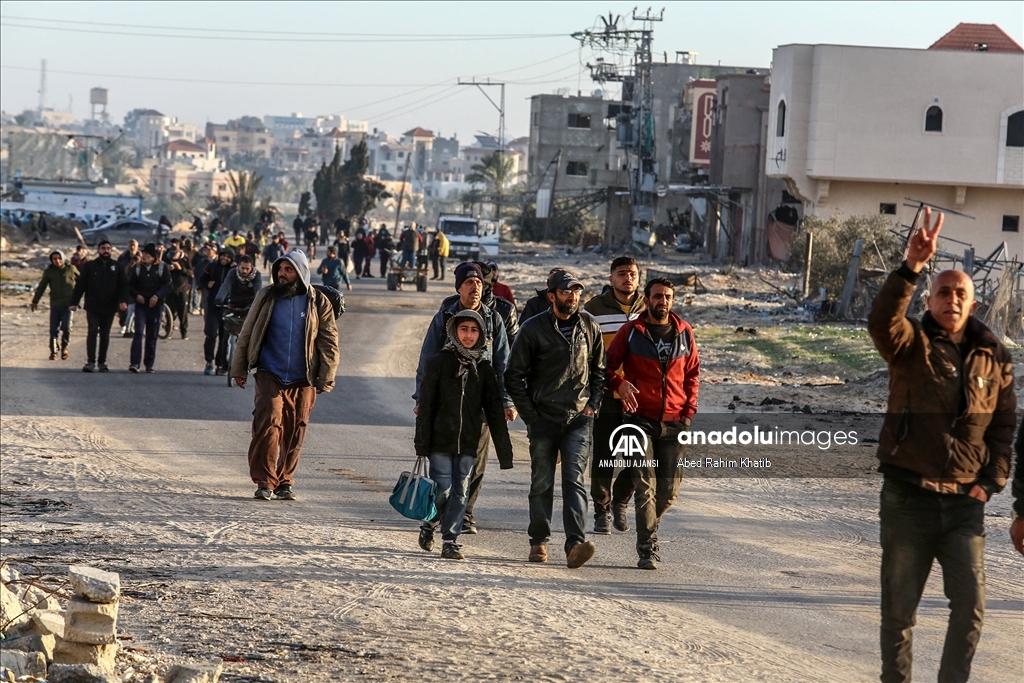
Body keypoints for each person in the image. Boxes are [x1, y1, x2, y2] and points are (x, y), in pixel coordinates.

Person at [866, 208, 1017, 683]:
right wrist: (911, 268)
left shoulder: (994, 355)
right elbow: (882, 322)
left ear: (973, 303)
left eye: (961, 293)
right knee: (899, 614)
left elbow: (1004, 426)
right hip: (908, 498)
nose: (952, 298)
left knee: (971, 609)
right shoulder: (910, 343)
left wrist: (991, 482)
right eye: (943, 291)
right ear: (929, 300)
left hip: (964, 506)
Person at [504, 270, 605, 568]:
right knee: (542, 482)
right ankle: (538, 541)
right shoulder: (533, 329)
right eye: (565, 291)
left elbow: (600, 371)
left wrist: (593, 406)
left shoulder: (589, 326)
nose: (572, 296)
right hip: (544, 418)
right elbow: (513, 377)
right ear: (552, 296)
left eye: (576, 291)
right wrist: (531, 415)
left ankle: (575, 544)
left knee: (574, 481)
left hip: (578, 417)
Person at [414, 262, 517, 534]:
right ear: (458, 287)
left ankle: (460, 522)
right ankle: (436, 519)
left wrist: (506, 401)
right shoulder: (444, 317)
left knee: (473, 468)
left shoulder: (494, 320)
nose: (475, 287)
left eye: (479, 283)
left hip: (478, 405)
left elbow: (503, 363)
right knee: (444, 482)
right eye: (469, 283)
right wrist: (420, 398)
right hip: (445, 405)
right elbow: (427, 361)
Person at [605, 277, 700, 569]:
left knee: (668, 490)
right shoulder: (632, 332)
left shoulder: (684, 332)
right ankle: (647, 546)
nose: (663, 301)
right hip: (639, 419)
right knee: (645, 483)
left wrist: (688, 412)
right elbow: (605, 366)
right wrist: (619, 384)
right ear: (647, 299)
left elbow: (693, 373)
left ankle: (624, 494)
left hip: (674, 422)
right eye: (658, 296)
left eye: (668, 296)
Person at [231, 250, 340, 501]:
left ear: (300, 272)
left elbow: (329, 341)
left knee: (295, 428)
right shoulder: (266, 297)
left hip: (304, 377)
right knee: (268, 422)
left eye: (288, 270)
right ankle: (265, 481)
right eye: (280, 269)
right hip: (270, 371)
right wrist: (239, 369)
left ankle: (285, 480)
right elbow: (247, 332)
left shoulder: (318, 302)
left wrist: (326, 375)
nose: (282, 274)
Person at [584, 257, 645, 534]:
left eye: (632, 274)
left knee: (639, 458)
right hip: (606, 393)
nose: (627, 278)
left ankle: (621, 500)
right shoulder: (594, 309)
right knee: (604, 455)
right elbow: (584, 352)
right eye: (621, 274)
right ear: (611, 279)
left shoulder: (649, 307)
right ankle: (602, 510)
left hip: (640, 397)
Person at [70, 240, 128, 372]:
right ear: (98, 250)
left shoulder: (117, 266)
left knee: (105, 335)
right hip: (93, 306)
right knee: (92, 332)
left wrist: (123, 301)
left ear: (111, 250)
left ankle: (102, 362)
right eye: (103, 248)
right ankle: (90, 362)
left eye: (108, 248)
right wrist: (74, 303)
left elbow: (123, 285)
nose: (106, 251)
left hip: (109, 307)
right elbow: (80, 286)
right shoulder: (90, 266)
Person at [127, 243, 172, 373]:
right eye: (143, 253)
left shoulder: (162, 268)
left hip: (156, 306)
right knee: (139, 333)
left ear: (153, 256)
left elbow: (168, 286)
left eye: (147, 254)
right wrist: (137, 296)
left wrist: (157, 296)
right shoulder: (137, 268)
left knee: (152, 335)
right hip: (141, 305)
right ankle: (135, 363)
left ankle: (149, 364)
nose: (144, 256)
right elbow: (130, 286)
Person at [31, 250, 79, 361]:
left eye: (59, 258)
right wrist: (35, 301)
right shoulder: (49, 272)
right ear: (51, 260)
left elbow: (82, 284)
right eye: (54, 259)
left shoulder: (71, 269)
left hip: (69, 305)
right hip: (56, 304)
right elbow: (42, 287)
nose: (57, 261)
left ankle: (65, 347)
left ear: (63, 258)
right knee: (54, 329)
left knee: (66, 328)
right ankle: (54, 350)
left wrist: (79, 300)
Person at [200, 247, 235, 375]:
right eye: (223, 256)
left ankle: (220, 364)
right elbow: (202, 279)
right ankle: (209, 362)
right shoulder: (212, 266)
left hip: (228, 308)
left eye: (228, 257)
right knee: (211, 334)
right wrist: (207, 284)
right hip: (213, 307)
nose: (224, 258)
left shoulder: (234, 270)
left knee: (224, 338)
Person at [165, 243, 194, 341]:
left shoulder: (185, 259)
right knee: (170, 312)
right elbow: (159, 271)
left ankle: (184, 332)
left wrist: (181, 268)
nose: (173, 257)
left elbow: (191, 273)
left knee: (183, 312)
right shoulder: (166, 258)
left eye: (175, 255)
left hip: (182, 289)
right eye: (171, 255)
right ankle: (168, 331)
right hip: (169, 289)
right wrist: (167, 268)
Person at [117, 240, 142, 335]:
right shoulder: (123, 257)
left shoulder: (142, 257)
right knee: (123, 305)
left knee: (135, 306)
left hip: (138, 285)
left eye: (134, 245)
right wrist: (130, 265)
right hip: (125, 284)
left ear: (137, 246)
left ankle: (133, 326)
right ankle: (123, 324)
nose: (132, 247)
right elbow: (120, 271)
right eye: (130, 245)